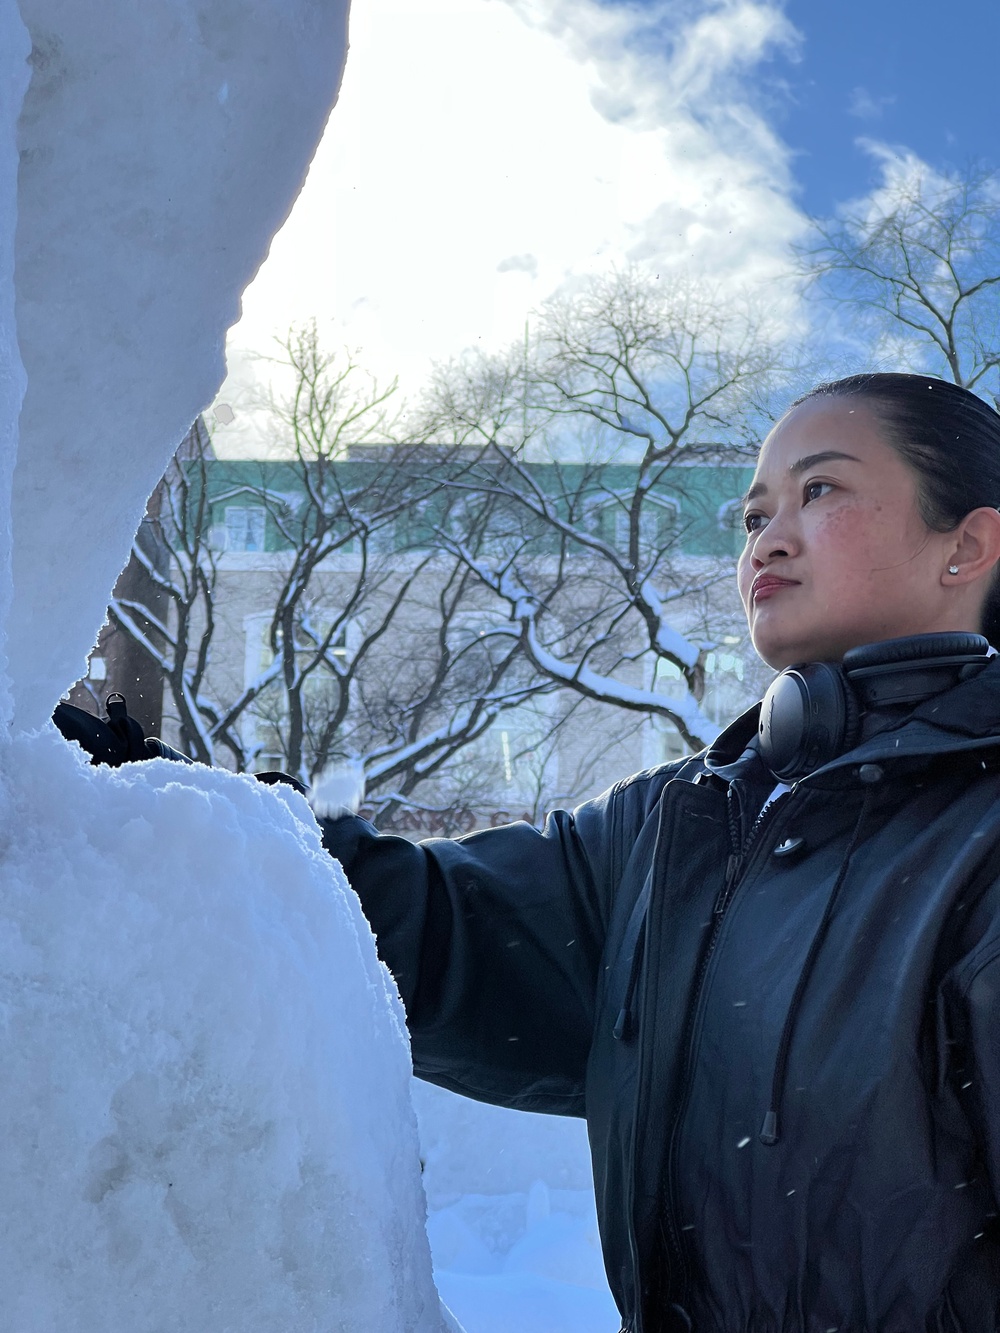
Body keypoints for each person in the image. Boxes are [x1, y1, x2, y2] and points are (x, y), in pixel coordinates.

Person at [319, 372, 1000, 1333]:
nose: (766, 535)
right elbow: (431, 923)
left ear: (967, 543)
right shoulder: (679, 824)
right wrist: (164, 804)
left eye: (821, 490)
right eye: (754, 512)